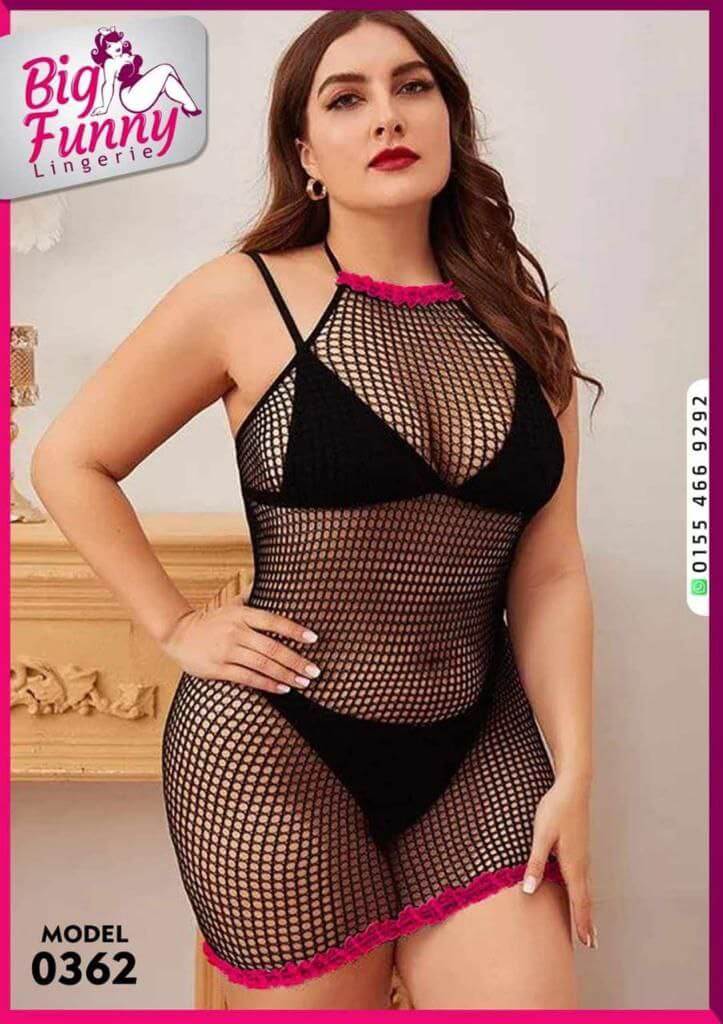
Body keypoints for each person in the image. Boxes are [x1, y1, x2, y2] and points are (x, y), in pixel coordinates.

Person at [31, 9, 603, 1012]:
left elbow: (550, 569)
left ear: (451, 119)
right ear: (305, 155)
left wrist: (575, 770)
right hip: (276, 752)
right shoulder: (241, 297)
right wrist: (176, 622)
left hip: (481, 749)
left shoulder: (528, 330)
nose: (387, 114)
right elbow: (69, 459)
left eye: (412, 86)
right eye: (347, 98)